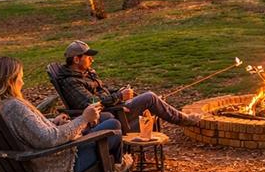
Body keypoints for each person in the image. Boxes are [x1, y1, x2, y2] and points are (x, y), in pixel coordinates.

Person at [0, 56, 132, 172]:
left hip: (26, 164)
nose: (23, 82)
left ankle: (118, 167)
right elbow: (50, 139)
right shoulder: (14, 106)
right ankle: (119, 169)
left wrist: (53, 121)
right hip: (55, 166)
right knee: (113, 127)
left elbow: (26, 127)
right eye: (20, 77)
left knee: (105, 118)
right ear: (10, 81)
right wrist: (84, 118)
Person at [52, 40, 200, 129]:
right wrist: (118, 97)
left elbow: (101, 91)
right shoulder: (71, 82)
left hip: (116, 107)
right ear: (76, 60)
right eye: (88, 57)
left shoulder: (85, 73)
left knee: (154, 100)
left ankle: (179, 117)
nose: (92, 60)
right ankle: (184, 120)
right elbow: (92, 104)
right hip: (112, 116)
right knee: (150, 98)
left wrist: (119, 92)